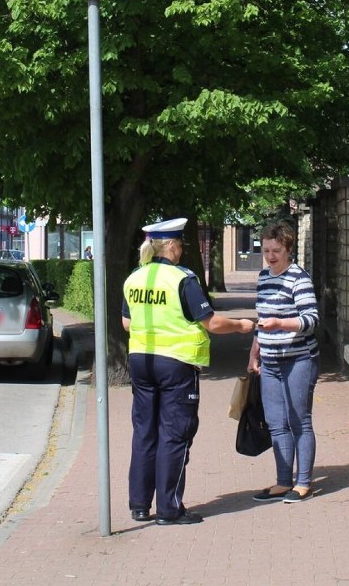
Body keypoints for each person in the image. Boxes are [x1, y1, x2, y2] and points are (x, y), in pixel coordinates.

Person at [122, 217, 255, 525]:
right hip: (176, 363)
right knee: (174, 434)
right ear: (170, 245)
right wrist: (240, 326)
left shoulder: (135, 277)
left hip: (141, 361)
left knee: (144, 432)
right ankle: (169, 509)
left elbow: (127, 324)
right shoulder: (183, 279)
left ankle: (140, 505)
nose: (182, 250)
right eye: (180, 244)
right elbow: (212, 323)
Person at [247, 222, 319, 504]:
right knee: (276, 423)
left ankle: (303, 483)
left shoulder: (298, 279)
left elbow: (310, 321)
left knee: (299, 420)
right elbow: (260, 320)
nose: (271, 255)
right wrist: (254, 352)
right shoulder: (264, 277)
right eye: (266, 250)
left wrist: (281, 324)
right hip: (271, 361)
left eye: (276, 250)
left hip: (299, 359)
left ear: (289, 249)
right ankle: (282, 481)